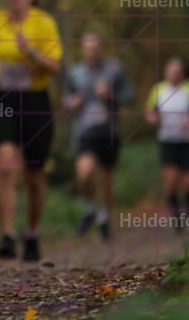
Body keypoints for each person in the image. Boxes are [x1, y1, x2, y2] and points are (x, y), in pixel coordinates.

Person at [0, 0, 62, 262]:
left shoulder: (44, 23)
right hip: (4, 99)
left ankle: (32, 234)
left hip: (36, 101)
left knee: (35, 176)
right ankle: (8, 235)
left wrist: (31, 51)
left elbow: (55, 66)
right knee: (6, 165)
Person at [65, 32, 133, 240]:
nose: (92, 51)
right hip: (85, 132)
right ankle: (90, 209)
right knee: (83, 173)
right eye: (88, 48)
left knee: (106, 179)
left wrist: (110, 95)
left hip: (109, 131)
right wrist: (71, 103)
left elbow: (130, 96)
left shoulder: (115, 69)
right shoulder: (74, 73)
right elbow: (66, 98)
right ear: (83, 49)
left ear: (102, 48)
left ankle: (104, 217)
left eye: (95, 48)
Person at [145, 56, 189, 230]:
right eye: (171, 71)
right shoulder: (158, 90)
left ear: (182, 73)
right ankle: (177, 219)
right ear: (166, 72)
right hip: (168, 141)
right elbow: (149, 111)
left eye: (177, 72)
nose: (174, 75)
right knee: (171, 181)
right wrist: (153, 118)